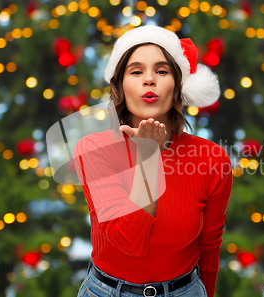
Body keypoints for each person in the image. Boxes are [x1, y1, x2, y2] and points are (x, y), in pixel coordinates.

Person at [73, 25, 233, 297]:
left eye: (162, 71)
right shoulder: (94, 150)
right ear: (120, 87)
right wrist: (148, 156)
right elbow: (130, 242)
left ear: (179, 86)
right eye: (136, 72)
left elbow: (209, 245)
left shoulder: (212, 159)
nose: (149, 80)